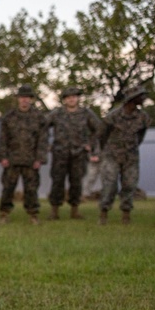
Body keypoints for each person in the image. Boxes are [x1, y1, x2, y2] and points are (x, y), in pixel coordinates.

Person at [45, 87, 101, 220]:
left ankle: (75, 210)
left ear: (78, 98)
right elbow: (42, 126)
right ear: (64, 100)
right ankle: (54, 211)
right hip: (60, 153)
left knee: (76, 182)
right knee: (57, 182)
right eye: (68, 97)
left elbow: (99, 129)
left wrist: (90, 144)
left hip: (79, 153)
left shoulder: (86, 113)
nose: (72, 99)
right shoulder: (57, 113)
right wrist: (46, 144)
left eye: (74, 96)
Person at [0, 85, 48, 225]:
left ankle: (33, 215)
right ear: (18, 99)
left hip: (31, 160)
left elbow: (42, 140)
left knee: (31, 189)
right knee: (8, 188)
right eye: (22, 97)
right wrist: (3, 157)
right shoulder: (9, 117)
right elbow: (3, 139)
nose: (24, 100)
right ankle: (4, 213)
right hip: (12, 159)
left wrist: (40, 158)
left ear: (31, 99)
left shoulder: (39, 117)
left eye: (27, 98)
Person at [98, 85, 149, 225]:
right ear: (132, 98)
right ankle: (103, 213)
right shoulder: (112, 116)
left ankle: (126, 214)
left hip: (131, 157)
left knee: (130, 185)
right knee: (109, 185)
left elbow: (140, 136)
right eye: (141, 96)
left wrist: (131, 148)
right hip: (111, 155)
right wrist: (104, 152)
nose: (143, 98)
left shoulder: (143, 117)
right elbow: (102, 135)